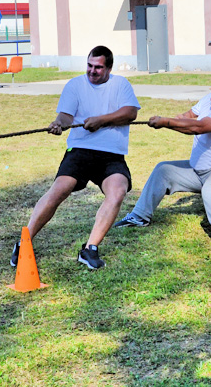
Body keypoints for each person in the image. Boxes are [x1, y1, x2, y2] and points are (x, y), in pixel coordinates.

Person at [11, 45, 140, 270]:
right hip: (80, 150)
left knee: (118, 191)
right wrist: (58, 124)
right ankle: (24, 242)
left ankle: (90, 249)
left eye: (98, 67)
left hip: (112, 154)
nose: (92, 71)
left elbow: (131, 113)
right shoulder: (75, 85)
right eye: (89, 65)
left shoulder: (121, 85)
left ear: (109, 68)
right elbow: (65, 116)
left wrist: (101, 120)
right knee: (59, 190)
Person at [114, 79, 211, 250]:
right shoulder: (209, 101)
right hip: (199, 171)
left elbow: (197, 127)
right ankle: (139, 216)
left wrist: (166, 123)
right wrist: (176, 119)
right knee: (163, 170)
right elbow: (190, 116)